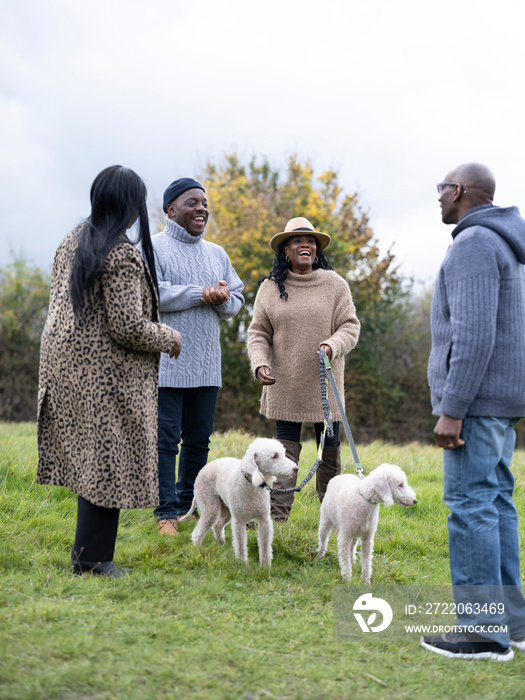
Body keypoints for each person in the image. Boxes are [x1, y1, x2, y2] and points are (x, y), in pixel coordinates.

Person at [37, 165, 182, 578]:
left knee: (94, 458)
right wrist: (168, 335)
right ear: (131, 205)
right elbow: (127, 326)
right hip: (103, 373)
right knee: (107, 459)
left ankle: (89, 554)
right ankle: (94, 559)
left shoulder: (74, 239)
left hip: (65, 365)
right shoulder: (119, 253)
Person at [422, 163, 525, 660]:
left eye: (441, 188)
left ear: (459, 191)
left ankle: (483, 631)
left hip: (477, 405)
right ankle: (514, 623)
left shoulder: (475, 244)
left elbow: (476, 334)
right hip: (501, 403)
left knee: (471, 506)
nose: (438, 197)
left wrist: (452, 408)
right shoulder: (505, 242)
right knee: (496, 503)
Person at [247, 217, 360, 520]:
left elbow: (350, 326)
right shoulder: (270, 289)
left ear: (316, 249)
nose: (305, 245)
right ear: (285, 249)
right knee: (284, 452)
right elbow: (258, 333)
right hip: (284, 385)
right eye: (297, 241)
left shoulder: (334, 285)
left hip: (325, 384)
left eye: (310, 241)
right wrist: (260, 363)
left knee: (330, 448)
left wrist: (331, 346)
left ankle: (333, 514)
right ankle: (278, 517)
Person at [150, 177, 244, 535]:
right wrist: (200, 294)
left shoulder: (217, 253)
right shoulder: (154, 247)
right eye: (192, 203)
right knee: (165, 441)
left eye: (204, 203)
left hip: (207, 365)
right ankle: (166, 515)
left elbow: (235, 300)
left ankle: (189, 507)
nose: (201, 209)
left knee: (198, 442)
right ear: (170, 209)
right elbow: (152, 293)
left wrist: (222, 297)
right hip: (167, 365)